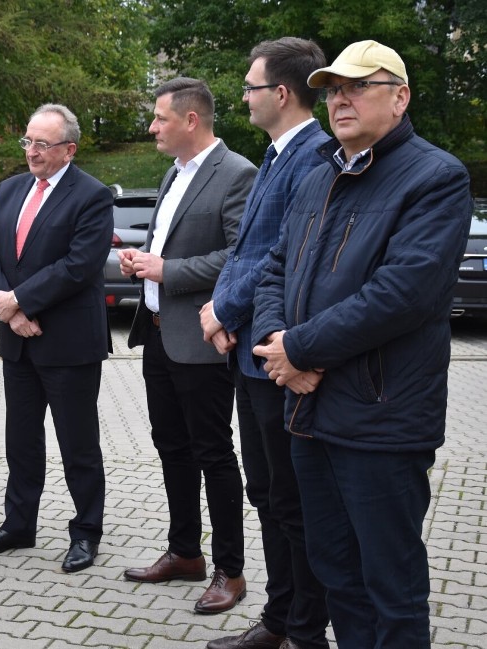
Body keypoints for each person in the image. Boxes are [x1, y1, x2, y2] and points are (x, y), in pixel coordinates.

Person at [251, 41, 472, 649]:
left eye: (357, 86)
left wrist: (300, 350)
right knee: (336, 575)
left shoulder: (435, 177)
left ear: (399, 98)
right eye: (331, 89)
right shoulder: (320, 175)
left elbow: (403, 295)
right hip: (310, 413)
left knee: (390, 585)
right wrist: (277, 346)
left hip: (381, 418)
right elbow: (275, 268)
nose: (340, 98)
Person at [200, 38, 330, 649]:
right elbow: (244, 248)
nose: (244, 98)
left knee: (290, 500)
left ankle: (302, 627)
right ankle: (280, 619)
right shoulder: (278, 154)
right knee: (267, 493)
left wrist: (223, 307)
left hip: (275, 357)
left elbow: (282, 252)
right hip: (248, 354)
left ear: (281, 93)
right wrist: (221, 311)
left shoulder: (314, 156)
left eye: (250, 88)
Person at [118, 78, 256, 613]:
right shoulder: (173, 172)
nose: (152, 127)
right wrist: (142, 261)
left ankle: (231, 570)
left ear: (191, 120)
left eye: (160, 118)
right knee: (171, 448)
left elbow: (241, 256)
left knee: (213, 453)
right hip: (156, 334)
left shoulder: (237, 173)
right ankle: (184, 553)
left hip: (201, 340)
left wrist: (167, 270)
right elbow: (167, 247)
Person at [0, 104, 113, 573]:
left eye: (43, 144)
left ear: (69, 149)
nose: (32, 151)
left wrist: (21, 302)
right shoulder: (11, 189)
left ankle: (86, 533)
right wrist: (11, 311)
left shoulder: (91, 196)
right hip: (20, 340)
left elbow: (79, 266)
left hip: (68, 343)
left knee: (78, 445)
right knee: (21, 441)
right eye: (28, 141)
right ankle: (18, 526)